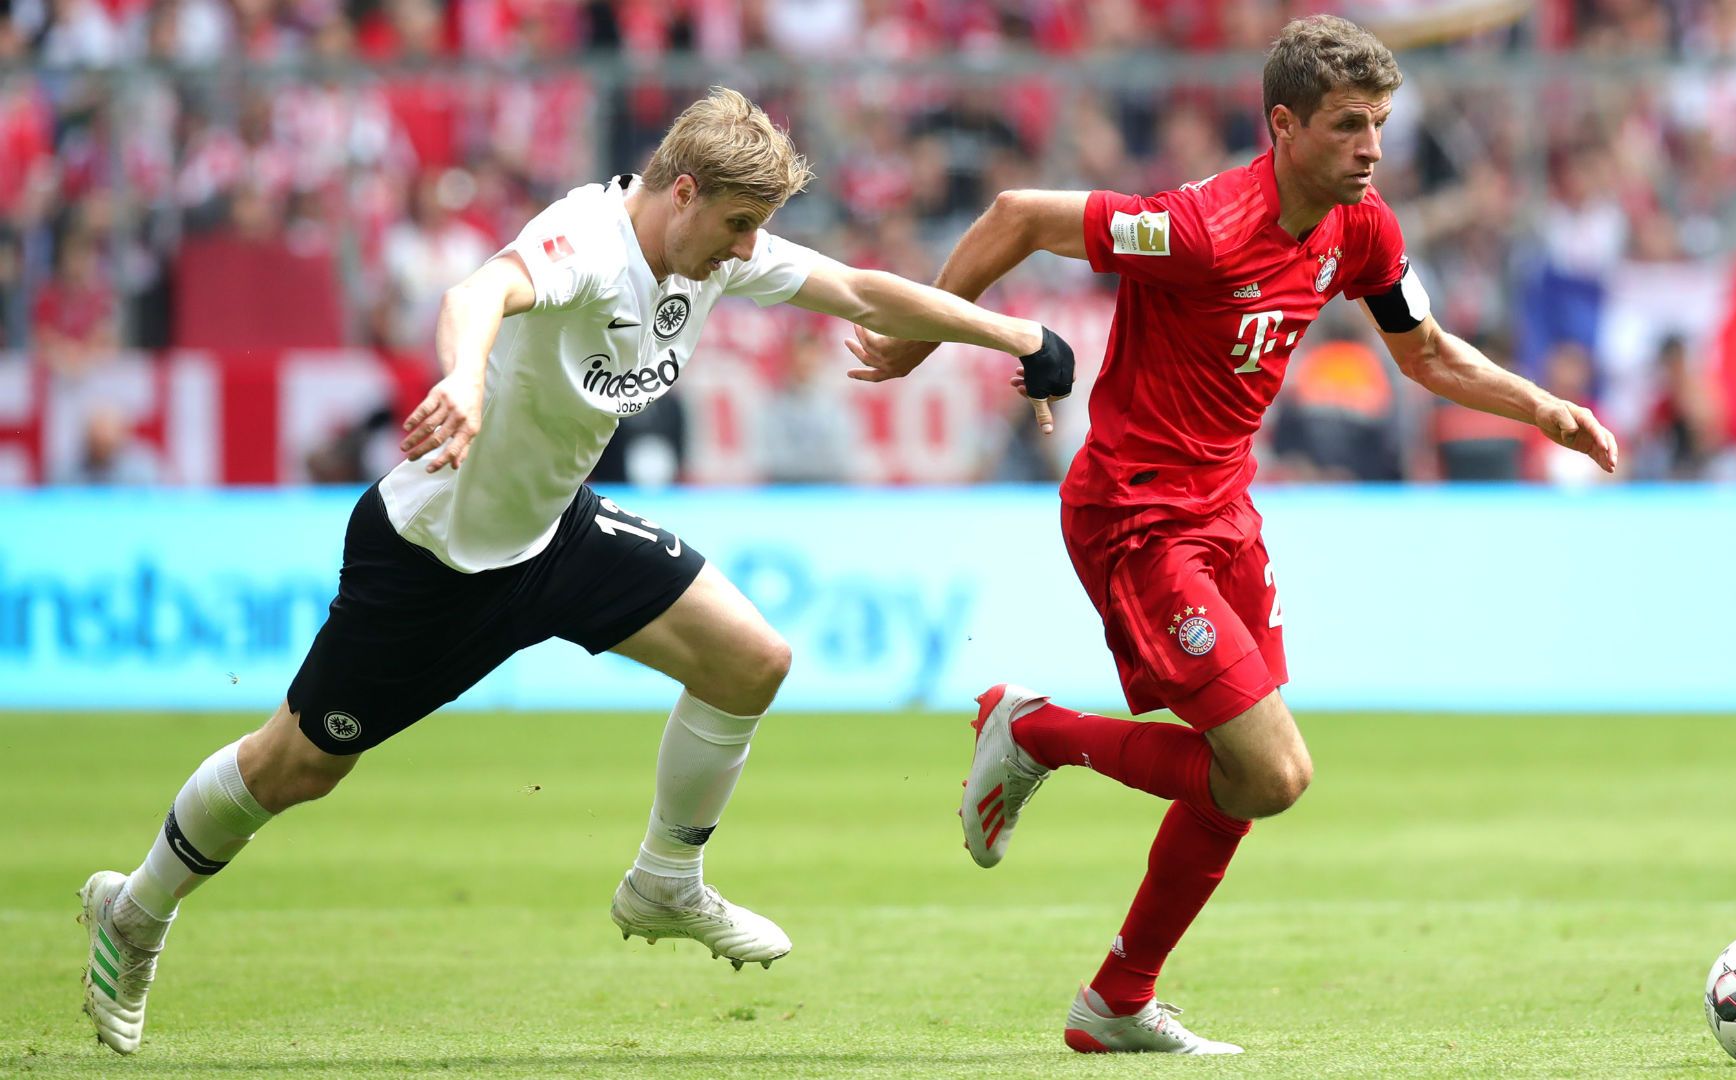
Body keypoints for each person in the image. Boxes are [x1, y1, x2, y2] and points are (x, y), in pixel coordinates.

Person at [78, 86, 1075, 1056]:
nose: (745, 248)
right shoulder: (587, 243)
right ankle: (136, 911)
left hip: (556, 535)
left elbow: (858, 290)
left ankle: (665, 881)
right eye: (734, 224)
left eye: (753, 230)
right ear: (679, 190)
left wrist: (1017, 334)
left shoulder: (709, 256)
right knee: (296, 766)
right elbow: (481, 292)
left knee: (750, 661)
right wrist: (465, 377)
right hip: (433, 559)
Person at [847, 15, 1618, 1054]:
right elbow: (1018, 214)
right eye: (1350, 126)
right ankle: (1031, 734)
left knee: (1243, 776)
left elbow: (1425, 351)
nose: (1373, 147)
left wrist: (1542, 410)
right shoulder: (1202, 227)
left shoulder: (1362, 228)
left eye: (1381, 124)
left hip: (1225, 517)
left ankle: (1117, 1001)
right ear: (1285, 125)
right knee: (1272, 773)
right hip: (1137, 514)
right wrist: (923, 332)